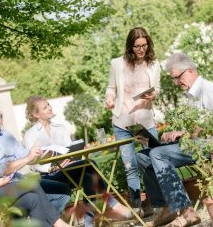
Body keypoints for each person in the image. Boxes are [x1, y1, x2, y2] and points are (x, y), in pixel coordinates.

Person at [136, 52, 213, 227]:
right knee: (143, 156)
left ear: (189, 71)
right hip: (194, 144)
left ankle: (187, 211)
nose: (175, 83)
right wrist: (177, 133)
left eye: (176, 78)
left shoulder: (208, 89)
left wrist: (189, 133)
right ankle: (166, 208)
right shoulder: (191, 94)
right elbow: (193, 129)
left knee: (158, 154)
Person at [23, 95, 132, 227]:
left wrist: (71, 159)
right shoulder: (30, 134)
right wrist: (51, 167)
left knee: (87, 176)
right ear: (36, 114)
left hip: (69, 170)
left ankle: (89, 223)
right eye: (44, 107)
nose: (49, 108)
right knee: (90, 166)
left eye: (49, 105)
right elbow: (32, 163)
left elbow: (71, 151)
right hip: (50, 177)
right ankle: (112, 204)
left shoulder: (61, 128)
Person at [0, 101, 73, 227]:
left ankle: (51, 222)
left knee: (36, 198)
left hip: (14, 184)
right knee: (31, 184)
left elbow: (24, 155)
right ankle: (57, 222)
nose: (0, 121)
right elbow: (2, 170)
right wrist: (28, 158)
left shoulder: (6, 136)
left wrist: (41, 153)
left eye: (0, 117)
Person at [105, 27, 161, 209]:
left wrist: (154, 95)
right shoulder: (117, 64)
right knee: (130, 166)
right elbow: (111, 88)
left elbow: (157, 88)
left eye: (144, 45)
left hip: (144, 122)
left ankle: (159, 204)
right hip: (122, 122)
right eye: (137, 46)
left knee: (154, 161)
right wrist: (109, 98)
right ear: (130, 46)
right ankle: (137, 209)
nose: (141, 50)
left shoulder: (154, 64)